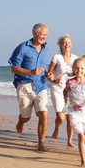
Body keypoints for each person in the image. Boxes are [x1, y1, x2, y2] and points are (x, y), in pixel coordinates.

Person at [8, 23, 51, 152]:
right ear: (34, 33)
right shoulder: (22, 47)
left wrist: (49, 74)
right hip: (24, 86)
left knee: (43, 114)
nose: (44, 37)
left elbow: (43, 68)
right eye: (42, 34)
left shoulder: (46, 50)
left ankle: (41, 143)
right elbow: (13, 68)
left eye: (46, 35)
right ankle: (21, 121)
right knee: (26, 117)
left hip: (41, 85)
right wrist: (31, 72)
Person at [63, 57, 85, 167]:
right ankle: (83, 160)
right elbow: (65, 91)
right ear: (73, 69)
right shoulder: (70, 82)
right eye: (77, 68)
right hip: (74, 113)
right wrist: (66, 98)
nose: (79, 71)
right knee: (81, 136)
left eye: (82, 68)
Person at [47, 33, 77, 147]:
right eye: (64, 42)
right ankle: (57, 127)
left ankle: (69, 141)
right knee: (61, 117)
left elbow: (80, 72)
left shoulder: (75, 58)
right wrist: (53, 80)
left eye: (69, 43)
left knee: (69, 118)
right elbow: (50, 74)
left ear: (71, 44)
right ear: (60, 44)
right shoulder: (56, 57)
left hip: (70, 90)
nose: (67, 44)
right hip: (57, 88)